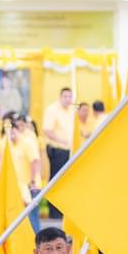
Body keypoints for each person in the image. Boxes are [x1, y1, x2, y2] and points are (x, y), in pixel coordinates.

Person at [41, 88, 75, 219]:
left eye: (69, 97)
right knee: (56, 178)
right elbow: (47, 130)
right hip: (58, 149)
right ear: (60, 97)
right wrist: (64, 141)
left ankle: (64, 210)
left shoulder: (72, 110)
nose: (68, 99)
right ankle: (54, 211)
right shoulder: (52, 110)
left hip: (69, 150)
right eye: (65, 96)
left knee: (67, 180)